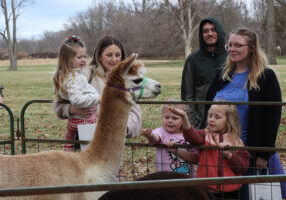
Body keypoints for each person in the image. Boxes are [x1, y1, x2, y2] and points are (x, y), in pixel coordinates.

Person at [206, 27, 285, 199]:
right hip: (218, 151)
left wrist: (263, 153)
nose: (232, 49)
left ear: (251, 48)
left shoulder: (265, 76)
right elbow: (207, 107)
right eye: (230, 45)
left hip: (248, 153)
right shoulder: (222, 75)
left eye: (238, 45)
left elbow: (272, 118)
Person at [54, 36, 142, 150]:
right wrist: (71, 109)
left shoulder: (129, 80)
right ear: (100, 57)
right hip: (84, 139)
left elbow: (135, 113)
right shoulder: (83, 75)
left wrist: (121, 128)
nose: (114, 59)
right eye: (109, 55)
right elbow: (59, 104)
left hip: (113, 142)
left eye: (118, 55)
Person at [170, 104, 250, 199]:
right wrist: (184, 118)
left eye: (217, 117)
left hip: (231, 191)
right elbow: (192, 136)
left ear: (229, 121)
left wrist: (229, 155)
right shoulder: (204, 135)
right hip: (205, 188)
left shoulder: (236, 142)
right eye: (210, 115)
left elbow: (242, 167)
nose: (211, 119)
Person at [53, 35, 100, 151]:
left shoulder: (71, 75)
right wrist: (98, 98)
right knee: (87, 151)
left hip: (75, 122)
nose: (84, 60)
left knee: (69, 144)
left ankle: (67, 157)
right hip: (84, 122)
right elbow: (77, 100)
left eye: (85, 56)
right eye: (79, 57)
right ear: (67, 59)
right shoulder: (73, 78)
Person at [181, 17, 228, 129]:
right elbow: (188, 95)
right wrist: (194, 123)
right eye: (205, 31)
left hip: (229, 122)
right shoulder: (193, 60)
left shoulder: (231, 57)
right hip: (202, 123)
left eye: (213, 30)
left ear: (219, 32)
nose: (209, 33)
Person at [141, 103, 197, 176]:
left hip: (186, 180)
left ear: (184, 120)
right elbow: (155, 138)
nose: (169, 121)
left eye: (174, 118)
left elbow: (195, 158)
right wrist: (150, 135)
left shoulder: (189, 135)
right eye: (166, 117)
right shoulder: (161, 131)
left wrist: (176, 151)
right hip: (164, 179)